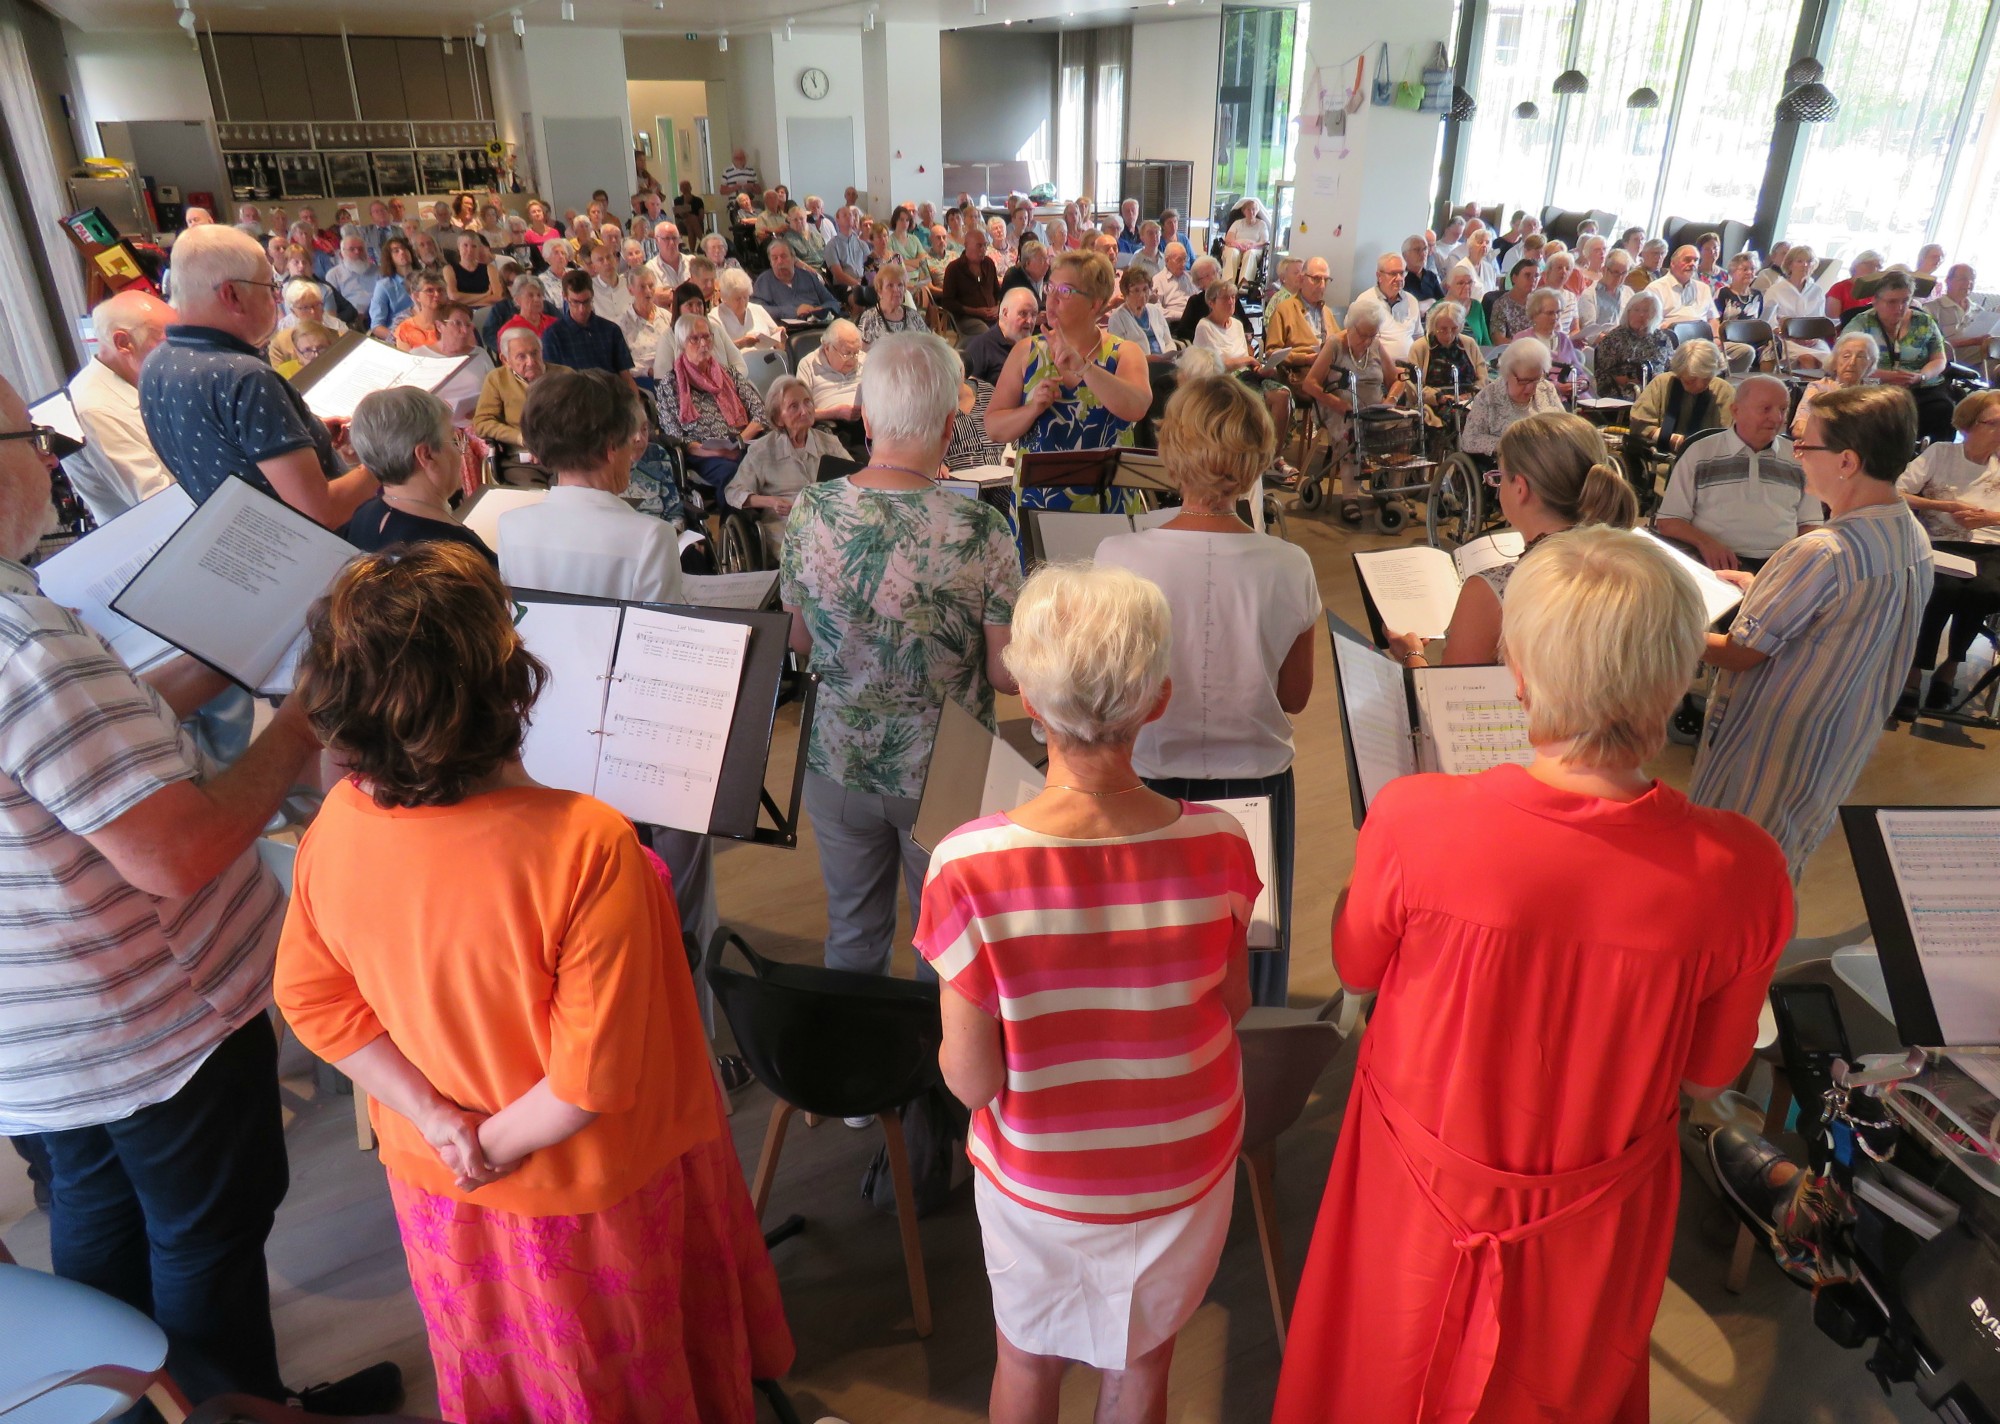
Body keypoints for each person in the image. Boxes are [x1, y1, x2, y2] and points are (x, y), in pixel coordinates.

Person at [1272, 524, 1793, 1424]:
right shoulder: (1742, 868)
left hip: (1419, 1192)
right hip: (1594, 1215)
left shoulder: (1415, 819)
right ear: (1677, 680)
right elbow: (1708, 1075)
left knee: (1386, 1374)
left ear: (1517, 673)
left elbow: (1355, 964)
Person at [274, 540, 789, 1424]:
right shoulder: (587, 843)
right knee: (612, 1374)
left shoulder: (337, 828)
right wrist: (491, 1146)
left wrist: (444, 1126)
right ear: (508, 689)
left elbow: (315, 999)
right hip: (584, 1188)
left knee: (502, 1358)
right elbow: (590, 1082)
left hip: (437, 1175)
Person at [0, 370, 400, 1415]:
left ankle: (148, 1402)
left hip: (42, 1032)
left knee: (100, 1215)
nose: (47, 457)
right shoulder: (25, 644)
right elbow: (178, 852)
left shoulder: (27, 629)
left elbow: (81, 758)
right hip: (147, 1019)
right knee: (205, 1233)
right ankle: (233, 1404)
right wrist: (301, 727)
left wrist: (207, 666)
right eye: (25, 434)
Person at [917, 562, 1253, 1424]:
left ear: (1030, 700)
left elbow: (973, 1083)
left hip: (1046, 1182)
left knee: (1026, 1364)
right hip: (1186, 1168)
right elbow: (1234, 1007)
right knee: (1143, 1366)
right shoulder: (1222, 846)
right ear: (1160, 700)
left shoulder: (967, 866)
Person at [781, 333, 1021, 979]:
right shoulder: (982, 529)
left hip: (837, 759)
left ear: (864, 416)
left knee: (853, 934)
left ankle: (861, 1077)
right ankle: (933, 1075)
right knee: (945, 947)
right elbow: (1003, 674)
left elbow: (799, 640)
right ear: (949, 424)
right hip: (945, 771)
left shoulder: (810, 509)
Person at [1097, 377, 1317, 1006]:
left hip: (1147, 782)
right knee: (1252, 945)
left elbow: (1111, 690)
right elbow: (1295, 695)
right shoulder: (1289, 564)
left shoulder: (1119, 553)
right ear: (1255, 459)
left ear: (1172, 452)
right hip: (1257, 783)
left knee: (1151, 954)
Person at [1691, 385, 1933, 876]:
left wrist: (1651, 630)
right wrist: (1765, 586)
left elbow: (1741, 653)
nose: (1796, 455)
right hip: (1835, 739)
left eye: (1805, 444)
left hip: (1770, 749)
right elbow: (1844, 612)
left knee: (1731, 868)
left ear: (1847, 460)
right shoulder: (1910, 532)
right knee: (1779, 862)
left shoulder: (1822, 551)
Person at [139, 224, 374, 527]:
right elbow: (320, 512)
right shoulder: (245, 378)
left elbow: (231, 446)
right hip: (317, 559)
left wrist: (310, 431)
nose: (277, 300)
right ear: (232, 295)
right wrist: (384, 463)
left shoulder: (157, 362)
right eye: (271, 287)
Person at [1391, 412, 1637, 668]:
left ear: (1520, 488)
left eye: (1499, 477)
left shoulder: (1494, 592)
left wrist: (1411, 655)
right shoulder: (1633, 569)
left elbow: (1448, 700)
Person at [986, 251, 1153, 510]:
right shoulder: (1027, 352)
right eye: (1050, 287)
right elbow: (994, 428)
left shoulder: (1124, 353)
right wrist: (1032, 410)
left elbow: (1137, 407)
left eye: (1065, 291)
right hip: (1037, 506)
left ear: (1095, 304)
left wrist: (1083, 367)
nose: (1051, 299)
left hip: (1108, 507)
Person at [1895, 389, 2000, 711]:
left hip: (1990, 545)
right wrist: (1945, 505)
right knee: (1943, 588)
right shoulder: (1941, 453)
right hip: (1939, 542)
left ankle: (1950, 667)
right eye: (1994, 423)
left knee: (1987, 590)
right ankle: (1915, 670)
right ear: (1969, 424)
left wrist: (1990, 517)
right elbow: (1896, 493)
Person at [1655, 376, 1816, 572]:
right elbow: (1668, 521)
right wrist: (1705, 543)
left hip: (1780, 566)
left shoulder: (1798, 458)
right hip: (1713, 564)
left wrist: (1794, 561)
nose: (1777, 418)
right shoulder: (1701, 453)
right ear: (1736, 411)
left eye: (1783, 409)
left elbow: (1811, 524)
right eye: (1765, 409)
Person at [342, 386, 494, 562]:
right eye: (453, 440)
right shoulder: (457, 551)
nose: (458, 451)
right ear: (427, 455)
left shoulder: (363, 515)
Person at [65, 291, 177, 523]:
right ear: (123, 343)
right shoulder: (92, 408)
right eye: (168, 341)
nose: (181, 352)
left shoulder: (145, 378)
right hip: (161, 541)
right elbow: (158, 502)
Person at [727, 375, 849, 563]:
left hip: (829, 519)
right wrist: (770, 502)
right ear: (778, 417)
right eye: (794, 406)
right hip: (785, 525)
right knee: (811, 557)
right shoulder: (762, 451)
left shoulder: (829, 444)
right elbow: (733, 492)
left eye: (808, 402)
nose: (804, 411)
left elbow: (857, 478)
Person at [655, 315, 767, 504]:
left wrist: (740, 441)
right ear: (682, 344)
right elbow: (677, 438)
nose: (704, 343)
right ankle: (738, 527)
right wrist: (721, 452)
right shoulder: (670, 384)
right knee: (732, 474)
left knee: (772, 462)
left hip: (743, 444)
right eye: (695, 339)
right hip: (703, 455)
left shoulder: (729, 374)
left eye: (707, 337)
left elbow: (760, 413)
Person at [1843, 269, 1953, 441]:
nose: (1900, 308)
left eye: (1905, 301)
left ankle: (1930, 459)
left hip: (1921, 386)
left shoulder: (1924, 321)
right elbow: (1845, 362)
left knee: (1943, 408)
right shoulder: (1861, 323)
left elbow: (1939, 359)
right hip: (1875, 385)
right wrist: (1890, 377)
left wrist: (1921, 376)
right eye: (1892, 302)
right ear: (1875, 301)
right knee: (1882, 411)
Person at [1192, 280, 1291, 442]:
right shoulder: (1205, 326)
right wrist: (1247, 360)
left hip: (1245, 375)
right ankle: (1252, 451)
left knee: (1283, 394)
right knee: (1257, 399)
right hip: (1220, 380)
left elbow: (1245, 357)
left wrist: (1259, 367)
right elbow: (1217, 365)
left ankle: (1275, 453)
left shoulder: (1237, 324)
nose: (1231, 302)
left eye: (1233, 297)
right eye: (1225, 298)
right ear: (1211, 302)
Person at [1629, 339, 1736, 477]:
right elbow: (1640, 424)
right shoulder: (1662, 384)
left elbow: (1731, 435)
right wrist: (1673, 439)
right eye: (1687, 380)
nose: (1695, 385)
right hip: (1663, 462)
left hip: (1710, 466)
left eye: (1704, 379)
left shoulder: (1723, 391)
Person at [474, 327, 567, 486]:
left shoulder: (565, 376)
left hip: (564, 456)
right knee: (534, 499)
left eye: (534, 353)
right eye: (521, 356)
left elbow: (583, 417)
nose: (531, 362)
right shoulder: (497, 379)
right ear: (505, 359)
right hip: (522, 459)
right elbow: (482, 423)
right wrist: (521, 438)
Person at [1455, 337, 1565, 457]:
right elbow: (1469, 440)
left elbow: (1563, 425)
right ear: (1507, 373)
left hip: (1549, 456)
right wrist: (1509, 445)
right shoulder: (1488, 397)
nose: (1531, 388)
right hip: (1511, 462)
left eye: (1536, 380)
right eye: (1524, 381)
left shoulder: (1546, 388)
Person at [541, 269, 638, 388]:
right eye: (575, 302)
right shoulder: (553, 336)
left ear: (592, 295)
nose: (582, 309)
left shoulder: (611, 330)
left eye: (586, 302)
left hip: (611, 396)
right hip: (573, 398)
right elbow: (552, 383)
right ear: (565, 296)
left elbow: (626, 377)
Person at [797, 317, 867, 454]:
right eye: (847, 353)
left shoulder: (866, 360)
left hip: (867, 422)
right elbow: (800, 413)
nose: (853, 359)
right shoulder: (808, 365)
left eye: (856, 352)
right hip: (832, 427)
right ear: (827, 347)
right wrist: (836, 413)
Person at [1408, 300, 1486, 420]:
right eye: (1443, 329)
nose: (1448, 335)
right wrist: (1440, 397)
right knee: (1461, 417)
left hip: (1468, 400)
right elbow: (1413, 387)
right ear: (1434, 326)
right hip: (1435, 404)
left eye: (1454, 329)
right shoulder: (1421, 347)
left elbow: (1482, 377)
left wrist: (1471, 395)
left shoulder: (1468, 343)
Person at [1592, 291, 1675, 400]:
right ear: (1628, 312)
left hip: (1658, 387)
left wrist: (1660, 381)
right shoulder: (1614, 338)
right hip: (1626, 389)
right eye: (1636, 310)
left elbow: (1671, 367)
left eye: (1646, 311)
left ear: (1655, 314)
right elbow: (1607, 373)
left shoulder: (1661, 338)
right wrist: (1642, 382)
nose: (1641, 315)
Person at [1765, 244, 1832, 371]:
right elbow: (1768, 323)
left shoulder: (1817, 291)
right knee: (1808, 359)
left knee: (1831, 360)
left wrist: (1813, 337)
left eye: (1809, 261)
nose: (1805, 265)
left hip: (1812, 341)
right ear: (1790, 265)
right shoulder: (1775, 290)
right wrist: (1790, 335)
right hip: (1786, 341)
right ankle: (1810, 390)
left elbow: (1819, 322)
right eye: (1800, 261)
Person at [1352, 251, 1423, 363]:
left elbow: (1418, 337)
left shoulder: (1411, 300)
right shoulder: (1365, 301)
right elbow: (1356, 342)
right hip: (1378, 368)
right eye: (1393, 274)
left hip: (1410, 367)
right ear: (1379, 276)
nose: (1399, 278)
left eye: (1402, 273)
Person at [963, 287, 1039, 385]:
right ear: (1005, 313)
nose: (1029, 321)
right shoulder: (981, 347)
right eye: (1023, 313)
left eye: (1034, 315)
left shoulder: (1035, 347)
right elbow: (967, 393)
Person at [753, 239, 839, 322]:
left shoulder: (809, 277)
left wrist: (821, 309)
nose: (779, 261)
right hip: (787, 331)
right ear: (770, 262)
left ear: (793, 258)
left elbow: (833, 302)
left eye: (783, 256)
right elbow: (757, 310)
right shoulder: (763, 281)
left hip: (816, 325)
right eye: (775, 258)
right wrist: (794, 311)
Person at [1526, 288, 1588, 400]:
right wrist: (1557, 387)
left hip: (1573, 397)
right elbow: (1524, 379)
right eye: (1550, 313)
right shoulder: (1524, 340)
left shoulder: (1563, 339)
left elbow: (1579, 371)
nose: (1555, 317)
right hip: (1541, 399)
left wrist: (1582, 383)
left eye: (1558, 312)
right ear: (1535, 314)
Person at [941, 224, 1002, 335]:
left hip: (993, 316)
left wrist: (998, 307)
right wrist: (976, 311)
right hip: (967, 318)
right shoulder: (954, 268)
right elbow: (947, 302)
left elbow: (998, 292)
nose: (983, 249)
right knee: (987, 334)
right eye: (979, 246)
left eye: (985, 245)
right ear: (966, 245)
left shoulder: (989, 263)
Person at [1107, 262, 1177, 356]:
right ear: (1126, 292)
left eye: (1145, 289)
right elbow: (1117, 353)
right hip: (1137, 366)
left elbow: (1169, 342)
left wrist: (1169, 357)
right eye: (1136, 290)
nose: (1142, 295)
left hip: (1164, 363)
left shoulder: (1155, 310)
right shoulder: (1117, 318)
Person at [858, 261, 924, 345]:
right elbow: (862, 353)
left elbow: (927, 343)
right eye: (890, 285)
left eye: (900, 285)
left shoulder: (913, 315)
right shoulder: (869, 318)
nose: (896, 290)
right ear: (879, 291)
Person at [368, 236, 420, 339]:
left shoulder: (425, 278)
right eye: (396, 251)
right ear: (390, 258)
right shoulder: (384, 286)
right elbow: (376, 327)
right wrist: (400, 338)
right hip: (399, 336)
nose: (402, 252)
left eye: (405, 248)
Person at [326, 228, 379, 317]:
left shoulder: (379, 271)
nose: (357, 252)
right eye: (352, 249)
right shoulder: (333, 275)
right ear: (342, 253)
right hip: (352, 320)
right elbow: (334, 306)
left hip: (379, 315)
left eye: (361, 249)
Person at [442, 232, 498, 310]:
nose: (469, 250)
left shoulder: (490, 268)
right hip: (461, 312)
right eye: (465, 245)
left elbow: (498, 296)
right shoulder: (449, 269)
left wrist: (468, 303)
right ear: (458, 247)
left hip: (487, 310)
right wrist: (485, 295)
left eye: (474, 246)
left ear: (478, 249)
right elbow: (453, 297)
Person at [1219, 197, 1269, 285]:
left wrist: (1252, 246)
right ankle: (1227, 283)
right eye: (1248, 209)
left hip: (1254, 248)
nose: (1251, 212)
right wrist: (1238, 245)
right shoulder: (1237, 223)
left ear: (1257, 211)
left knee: (1250, 254)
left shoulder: (1262, 224)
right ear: (1244, 211)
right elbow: (1228, 239)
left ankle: (1244, 284)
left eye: (1254, 209)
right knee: (1232, 252)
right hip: (1236, 246)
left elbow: (1264, 241)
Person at [1824, 250, 1883, 322]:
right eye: (1869, 265)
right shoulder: (1839, 288)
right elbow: (1833, 322)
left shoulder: (1879, 291)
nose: (1875, 269)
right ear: (1856, 265)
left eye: (1879, 267)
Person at [393, 274, 446, 351]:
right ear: (417, 296)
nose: (437, 294)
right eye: (430, 290)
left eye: (440, 290)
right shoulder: (405, 329)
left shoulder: (454, 321)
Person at [1490, 258, 1539, 342]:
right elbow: (1499, 340)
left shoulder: (1542, 302)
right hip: (1514, 351)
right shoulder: (1502, 304)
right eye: (1527, 275)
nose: (1533, 279)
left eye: (1536, 276)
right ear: (1514, 278)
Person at [1445, 261, 1492, 345]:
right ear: (1449, 287)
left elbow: (1486, 343)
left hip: (1477, 356)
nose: (1467, 287)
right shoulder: (1438, 309)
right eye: (1460, 283)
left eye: (1470, 282)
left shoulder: (1476, 306)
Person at [1151, 243, 1199, 322]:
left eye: (1185, 259)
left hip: (1193, 320)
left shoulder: (1188, 277)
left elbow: (1198, 298)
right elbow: (1157, 310)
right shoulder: (1158, 280)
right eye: (1179, 260)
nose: (1184, 264)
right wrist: (1183, 315)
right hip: (1175, 323)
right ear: (1167, 260)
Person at [998, 239, 1051, 309]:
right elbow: (1012, 308)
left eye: (1047, 259)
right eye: (1042, 260)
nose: (1047, 263)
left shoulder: (1048, 273)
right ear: (1028, 263)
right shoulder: (1013, 277)